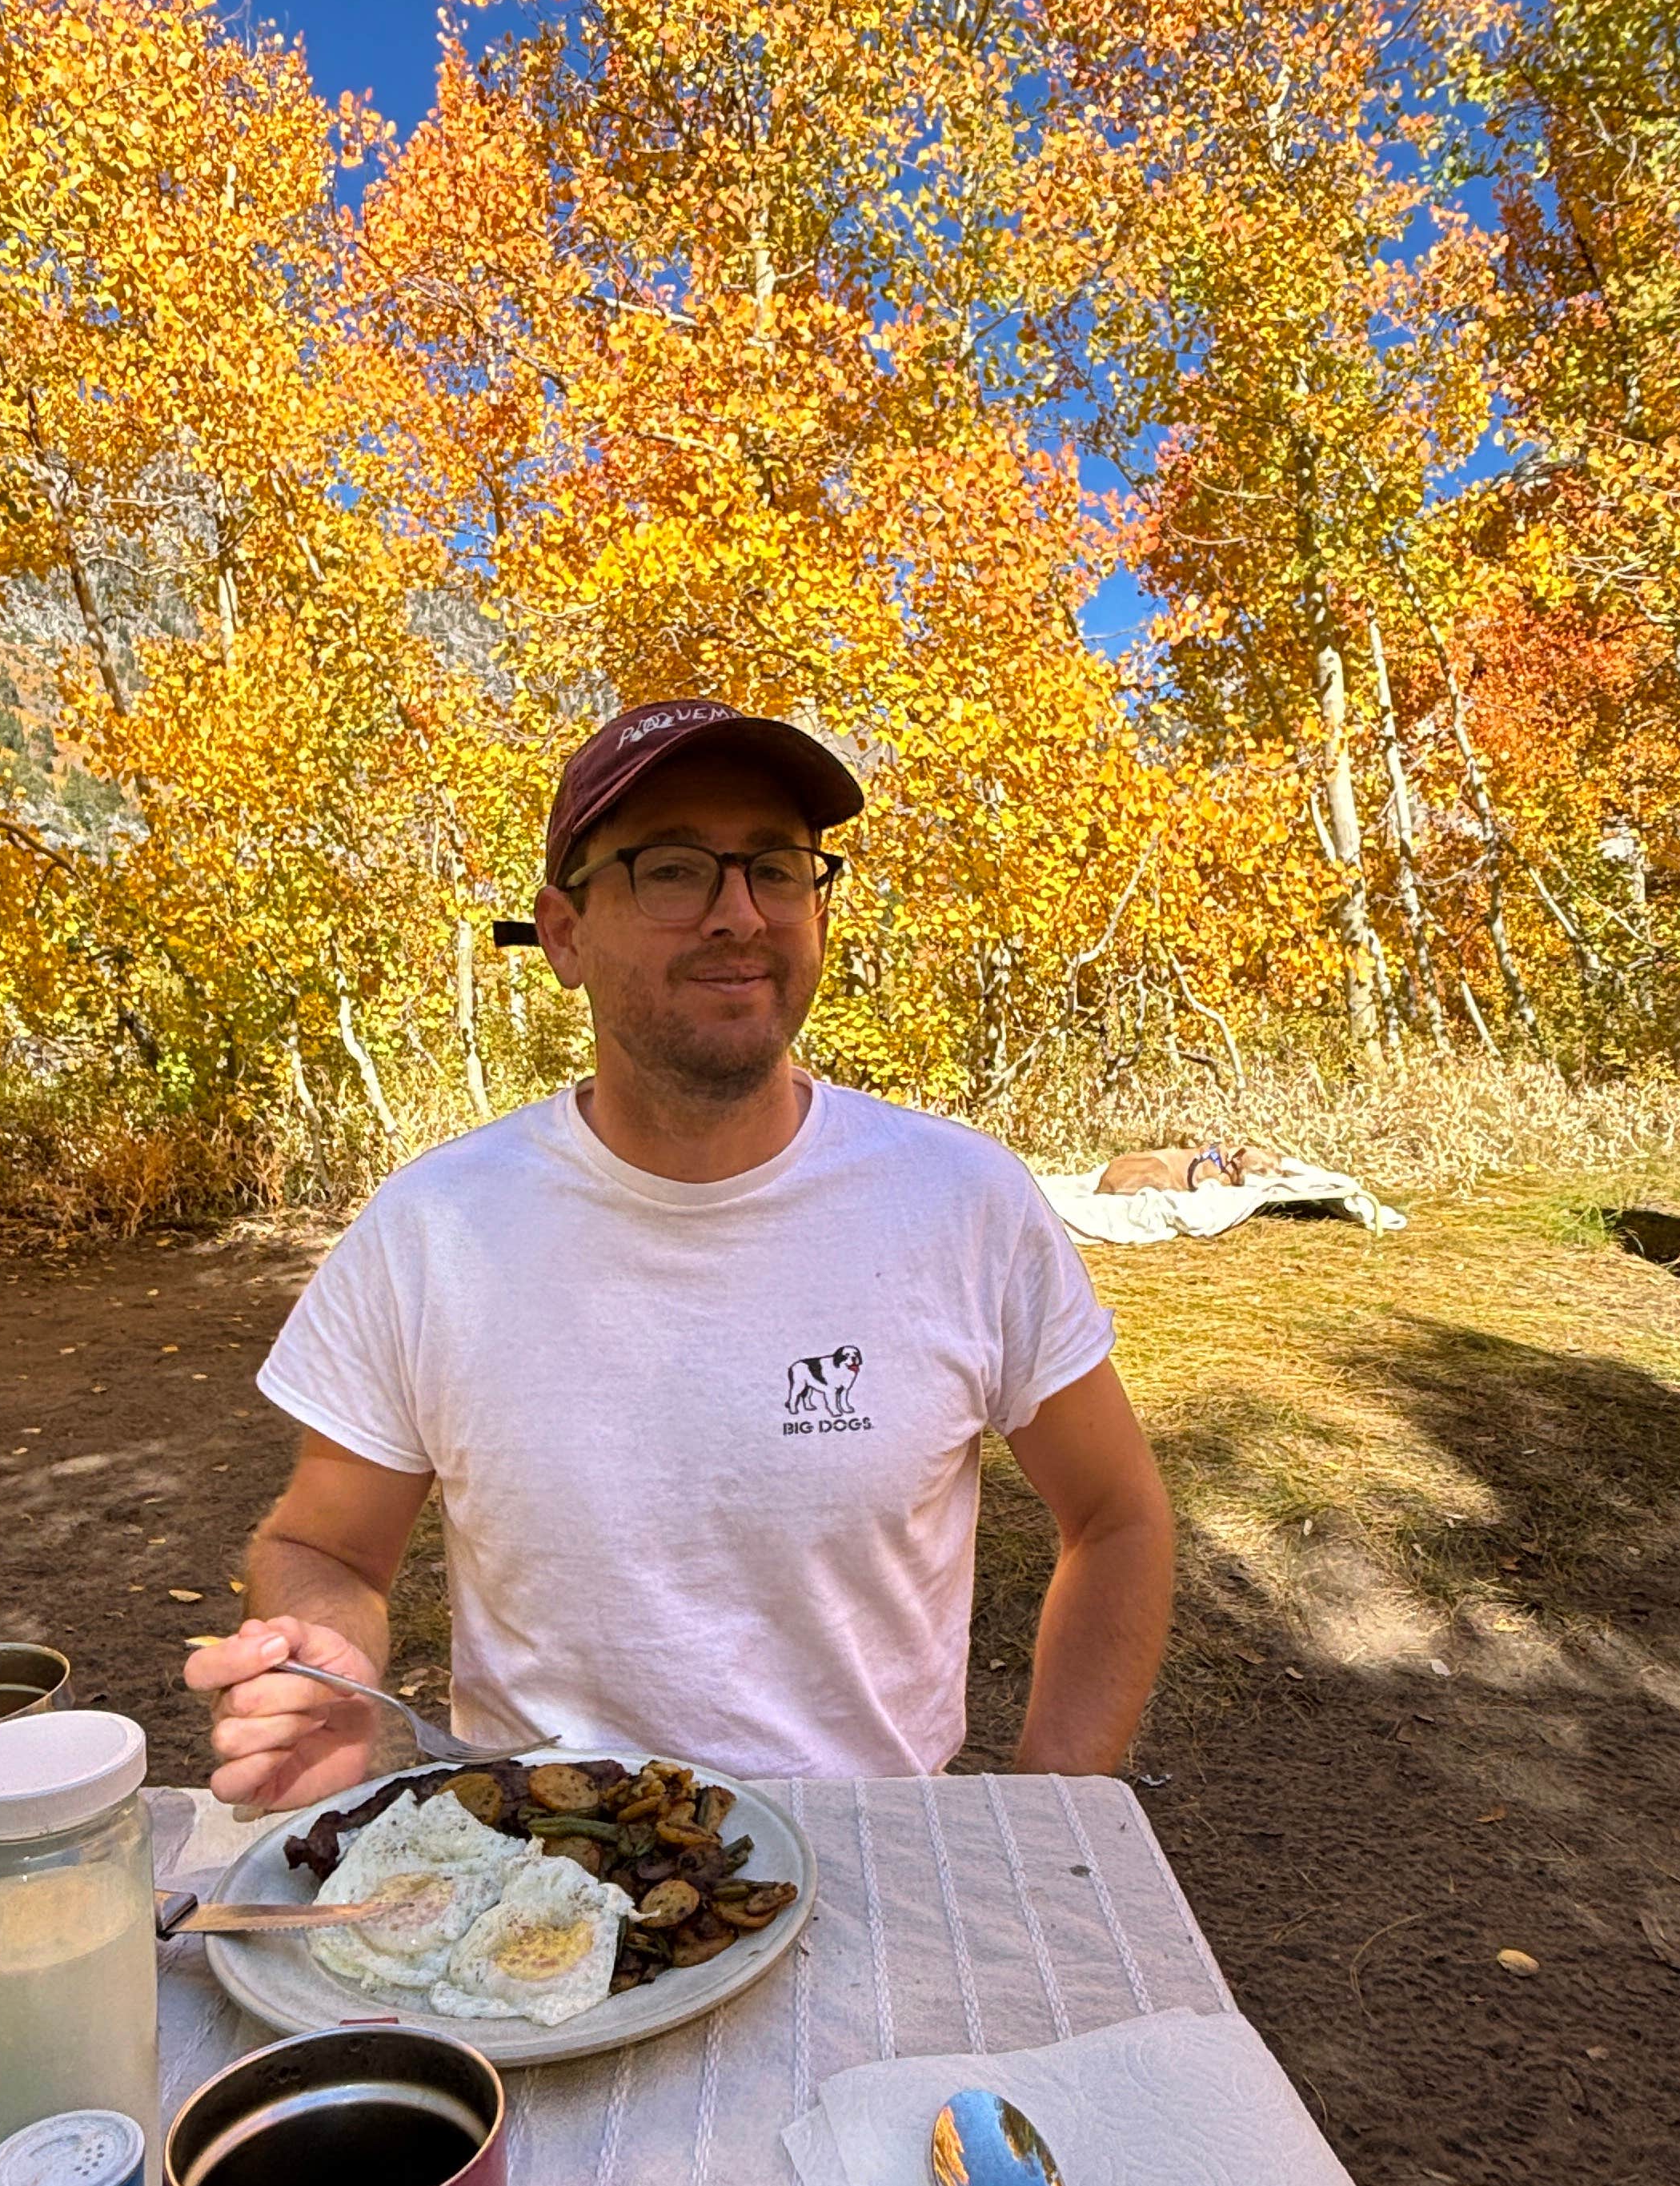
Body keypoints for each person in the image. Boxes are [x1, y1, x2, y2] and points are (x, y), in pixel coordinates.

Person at [187, 698, 1174, 1803]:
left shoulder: (964, 1203)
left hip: (879, 1851)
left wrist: (1052, 1810)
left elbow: (1118, 1519)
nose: (740, 915)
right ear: (564, 933)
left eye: (777, 868)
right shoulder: (435, 1231)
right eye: (672, 870)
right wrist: (321, 1667)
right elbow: (322, 1550)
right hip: (545, 1866)